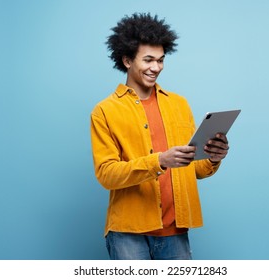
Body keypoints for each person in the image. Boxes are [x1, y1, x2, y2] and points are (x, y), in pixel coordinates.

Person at [90, 13, 230, 260]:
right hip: (127, 233)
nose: (156, 67)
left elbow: (193, 169)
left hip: (175, 231)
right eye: (148, 60)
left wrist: (214, 158)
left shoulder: (179, 104)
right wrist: (160, 161)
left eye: (161, 60)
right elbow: (106, 174)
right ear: (126, 60)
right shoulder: (105, 111)